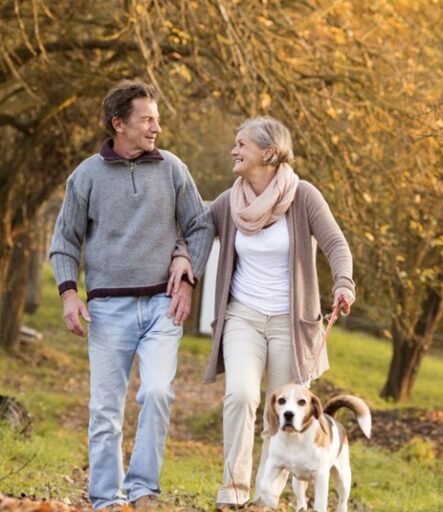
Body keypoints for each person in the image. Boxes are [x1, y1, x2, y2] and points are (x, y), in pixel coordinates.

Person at [170, 116, 354, 508]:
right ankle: (233, 491)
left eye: (241, 144)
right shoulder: (230, 201)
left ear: (267, 153)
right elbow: (198, 229)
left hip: (292, 322)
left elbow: (336, 243)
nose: (233, 151)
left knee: (283, 410)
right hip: (243, 316)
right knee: (240, 395)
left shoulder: (303, 196)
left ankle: (265, 493)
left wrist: (343, 282)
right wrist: (184, 259)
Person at [49, 80, 213, 511]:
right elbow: (64, 241)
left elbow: (200, 225)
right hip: (107, 309)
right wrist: (69, 294)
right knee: (105, 410)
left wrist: (188, 270)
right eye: (147, 119)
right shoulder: (85, 176)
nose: (156, 126)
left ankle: (142, 490)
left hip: (163, 303)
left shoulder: (174, 168)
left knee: (158, 393)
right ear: (119, 123)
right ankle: (107, 499)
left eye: (157, 119)